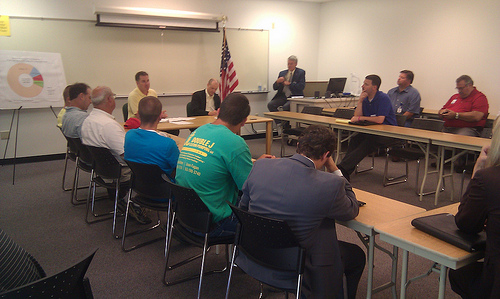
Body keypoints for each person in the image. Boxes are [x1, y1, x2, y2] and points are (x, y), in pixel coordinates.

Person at [239, 125, 365, 299]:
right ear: (327, 155)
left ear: (298, 145)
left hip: (255, 254)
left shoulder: (260, 166)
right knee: (357, 255)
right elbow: (352, 209)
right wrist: (335, 170)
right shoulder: (330, 184)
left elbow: (243, 208)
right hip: (296, 262)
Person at [175, 93, 274, 237]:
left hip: (186, 216)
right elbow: (250, 188)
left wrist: (255, 164)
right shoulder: (235, 143)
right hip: (214, 223)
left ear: (219, 111)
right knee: (269, 210)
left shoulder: (199, 131)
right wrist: (265, 169)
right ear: (244, 121)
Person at [81, 86, 150, 224]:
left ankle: (125, 199)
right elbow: (128, 156)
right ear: (109, 99)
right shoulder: (108, 125)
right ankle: (130, 202)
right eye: (113, 96)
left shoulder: (88, 120)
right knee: (157, 167)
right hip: (120, 171)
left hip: (103, 170)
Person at [448, 118, 500, 299]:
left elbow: (465, 223)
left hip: (495, 283)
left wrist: (478, 169)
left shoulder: (489, 179)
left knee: (459, 273)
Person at [337, 74, 397, 181]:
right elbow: (356, 116)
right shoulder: (365, 98)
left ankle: (342, 168)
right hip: (373, 131)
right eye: (363, 84)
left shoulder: (383, 98)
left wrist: (360, 118)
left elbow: (380, 120)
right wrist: (360, 101)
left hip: (388, 133)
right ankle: (345, 171)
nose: (362, 86)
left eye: (366, 84)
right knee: (355, 139)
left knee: (368, 142)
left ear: (374, 87)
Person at [124, 96, 179, 184]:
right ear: (160, 117)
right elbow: (180, 168)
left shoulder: (129, 136)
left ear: (138, 114)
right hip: (165, 193)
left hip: (139, 187)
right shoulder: (168, 144)